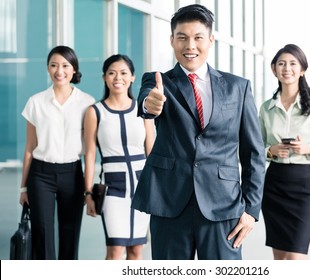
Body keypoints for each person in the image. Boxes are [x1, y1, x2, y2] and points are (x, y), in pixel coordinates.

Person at [131, 4, 265, 260]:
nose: (190, 45)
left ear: (210, 40)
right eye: (182, 37)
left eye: (197, 38)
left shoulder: (238, 87)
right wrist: (151, 103)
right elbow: (147, 103)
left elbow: (254, 153)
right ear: (172, 40)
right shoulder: (157, 81)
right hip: (170, 203)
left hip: (223, 205)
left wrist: (250, 209)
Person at [19, 46, 95, 259]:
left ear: (74, 70)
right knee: (42, 233)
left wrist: (88, 189)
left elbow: (90, 149)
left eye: (64, 66)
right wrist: (23, 187)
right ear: (48, 69)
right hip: (40, 174)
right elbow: (29, 149)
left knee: (70, 233)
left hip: (72, 173)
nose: (59, 71)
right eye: (53, 65)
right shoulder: (35, 102)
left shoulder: (87, 103)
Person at [259, 44, 310, 260]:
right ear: (274, 69)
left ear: (302, 70)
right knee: (280, 260)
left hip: (305, 186)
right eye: (281, 64)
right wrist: (271, 150)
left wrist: (308, 148)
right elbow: (256, 148)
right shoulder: (266, 108)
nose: (286, 68)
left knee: (295, 259)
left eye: (293, 64)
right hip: (274, 185)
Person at [83, 54, 154, 260]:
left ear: (132, 77)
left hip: (142, 185)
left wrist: (157, 186)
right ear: (104, 77)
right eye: (112, 73)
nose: (117, 78)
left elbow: (151, 151)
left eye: (123, 73)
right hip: (112, 187)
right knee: (115, 250)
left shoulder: (143, 109)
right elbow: (89, 154)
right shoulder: (95, 111)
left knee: (136, 250)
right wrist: (88, 193)